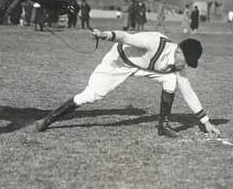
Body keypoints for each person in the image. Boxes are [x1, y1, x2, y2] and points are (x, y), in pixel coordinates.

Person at [34, 29, 221, 138]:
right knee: (92, 95)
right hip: (119, 61)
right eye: (186, 62)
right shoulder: (154, 42)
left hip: (146, 67)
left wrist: (206, 122)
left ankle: (162, 126)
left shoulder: (178, 66)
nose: (185, 66)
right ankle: (48, 119)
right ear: (179, 52)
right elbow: (126, 37)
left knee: (170, 79)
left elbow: (188, 93)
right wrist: (106, 34)